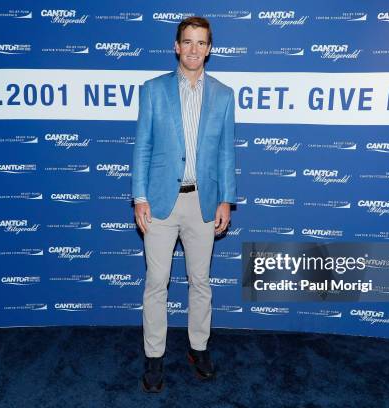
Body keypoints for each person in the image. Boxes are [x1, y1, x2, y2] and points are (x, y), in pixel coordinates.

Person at [131, 16, 236, 392]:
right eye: (187, 42)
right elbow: (142, 146)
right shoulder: (153, 90)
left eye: (201, 43)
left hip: (203, 202)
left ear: (209, 48)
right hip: (160, 201)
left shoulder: (224, 95)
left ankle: (198, 348)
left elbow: (226, 153)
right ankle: (154, 357)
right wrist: (139, 197)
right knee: (156, 282)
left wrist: (226, 199)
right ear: (177, 46)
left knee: (201, 282)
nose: (194, 49)